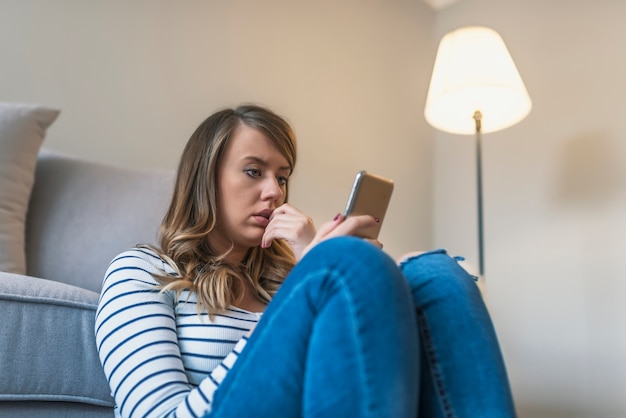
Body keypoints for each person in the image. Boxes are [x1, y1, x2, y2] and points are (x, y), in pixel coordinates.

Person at [95, 104, 516, 418]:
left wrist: (309, 270)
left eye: (281, 177)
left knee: (434, 275)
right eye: (253, 171)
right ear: (206, 178)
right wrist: (320, 273)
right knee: (345, 264)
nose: (275, 192)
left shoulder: (284, 281)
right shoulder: (143, 272)